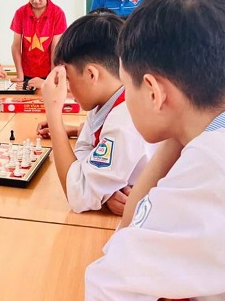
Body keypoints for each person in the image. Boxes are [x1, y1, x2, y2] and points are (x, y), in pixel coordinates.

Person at [85, 0, 225, 301]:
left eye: (126, 85)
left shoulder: (217, 164)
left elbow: (111, 286)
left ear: (153, 91)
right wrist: (179, 129)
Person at [38, 12, 156, 215]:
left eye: (68, 79)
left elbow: (79, 196)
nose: (67, 89)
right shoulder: (106, 100)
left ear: (91, 74)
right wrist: (103, 190)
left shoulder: (125, 122)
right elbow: (84, 150)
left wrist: (54, 114)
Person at [10, 0, 67, 89]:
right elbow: (16, 45)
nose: (36, 0)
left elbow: (56, 47)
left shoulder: (58, 13)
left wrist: (52, 76)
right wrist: (20, 75)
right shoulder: (20, 13)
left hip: (48, 73)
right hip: (26, 74)